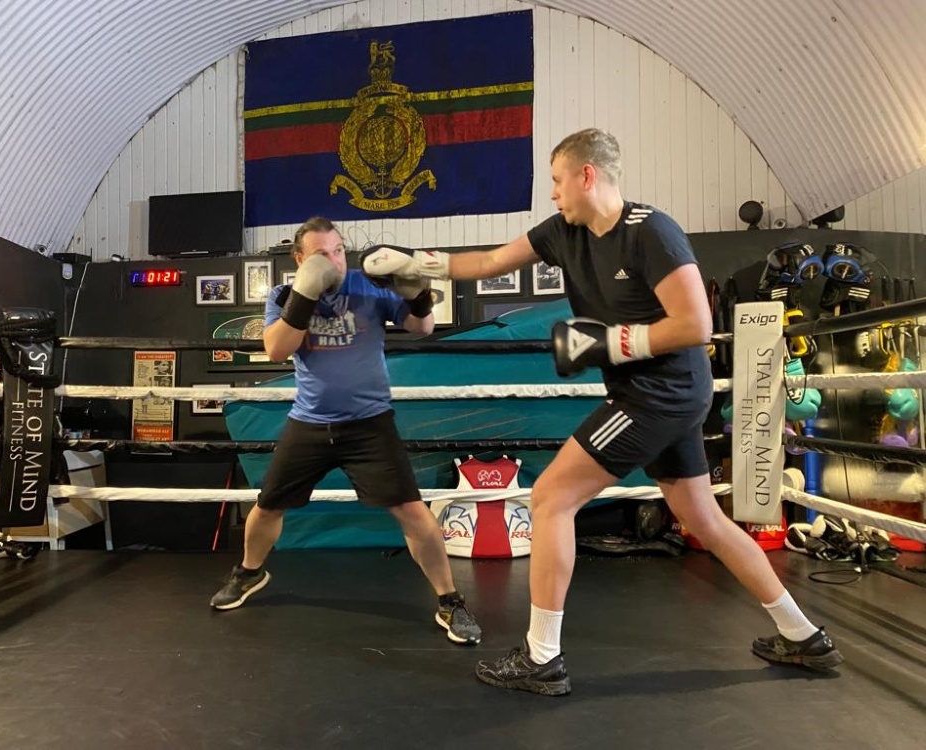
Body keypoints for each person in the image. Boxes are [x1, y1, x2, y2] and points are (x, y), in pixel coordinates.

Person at [361, 128, 843, 695]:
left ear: (587, 175)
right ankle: (802, 635)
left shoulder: (651, 232)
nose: (554, 194)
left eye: (558, 181)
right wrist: (420, 262)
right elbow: (492, 259)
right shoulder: (564, 232)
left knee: (550, 498)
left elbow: (696, 324)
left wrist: (611, 344)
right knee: (703, 518)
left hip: (658, 393)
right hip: (655, 395)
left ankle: (542, 657)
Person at [210, 216, 481, 646]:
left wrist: (416, 291)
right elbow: (277, 348)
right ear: (299, 259)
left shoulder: (368, 286)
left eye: (337, 251)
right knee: (267, 505)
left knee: (413, 512)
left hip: (370, 424)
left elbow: (422, 327)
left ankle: (450, 600)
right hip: (309, 423)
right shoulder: (283, 296)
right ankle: (249, 572)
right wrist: (306, 290)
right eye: (320, 255)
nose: (333, 261)